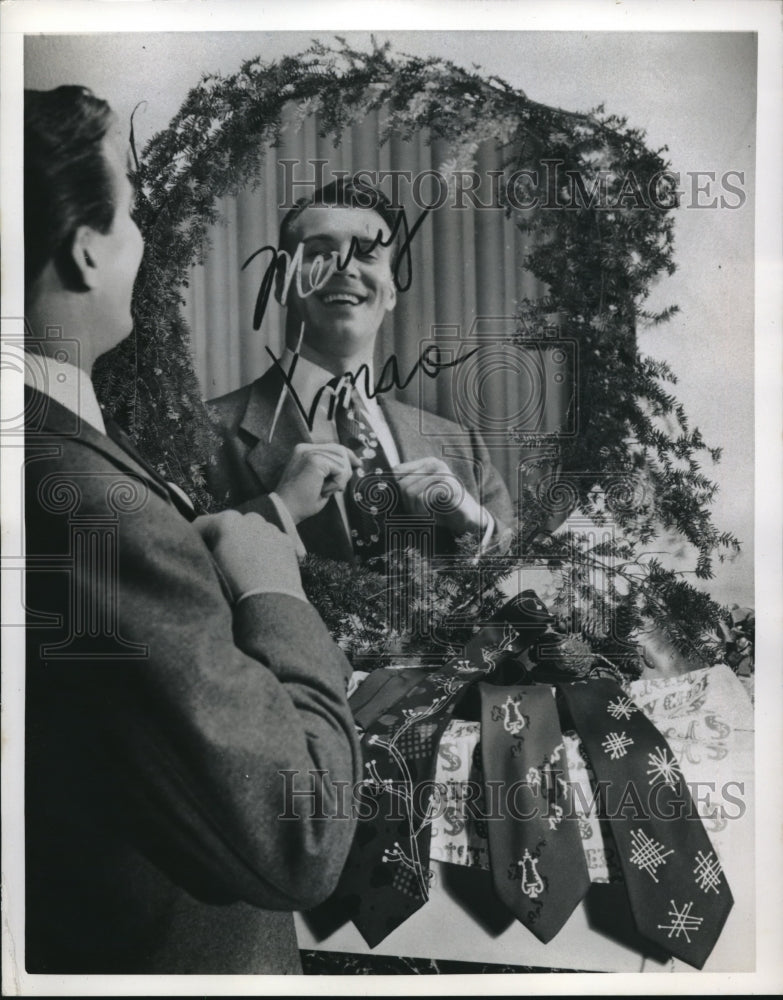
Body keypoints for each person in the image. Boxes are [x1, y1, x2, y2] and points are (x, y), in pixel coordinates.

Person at [23, 86, 361, 975]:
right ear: (88, 250)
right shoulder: (87, 500)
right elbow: (300, 839)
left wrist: (270, 517)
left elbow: (108, 685)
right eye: (133, 215)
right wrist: (273, 587)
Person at [207, 177, 515, 563]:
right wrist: (279, 510)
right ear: (281, 282)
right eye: (319, 252)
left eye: (367, 254)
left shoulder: (461, 447)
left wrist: (478, 528)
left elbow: (537, 603)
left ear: (390, 290)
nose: (344, 267)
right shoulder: (202, 434)